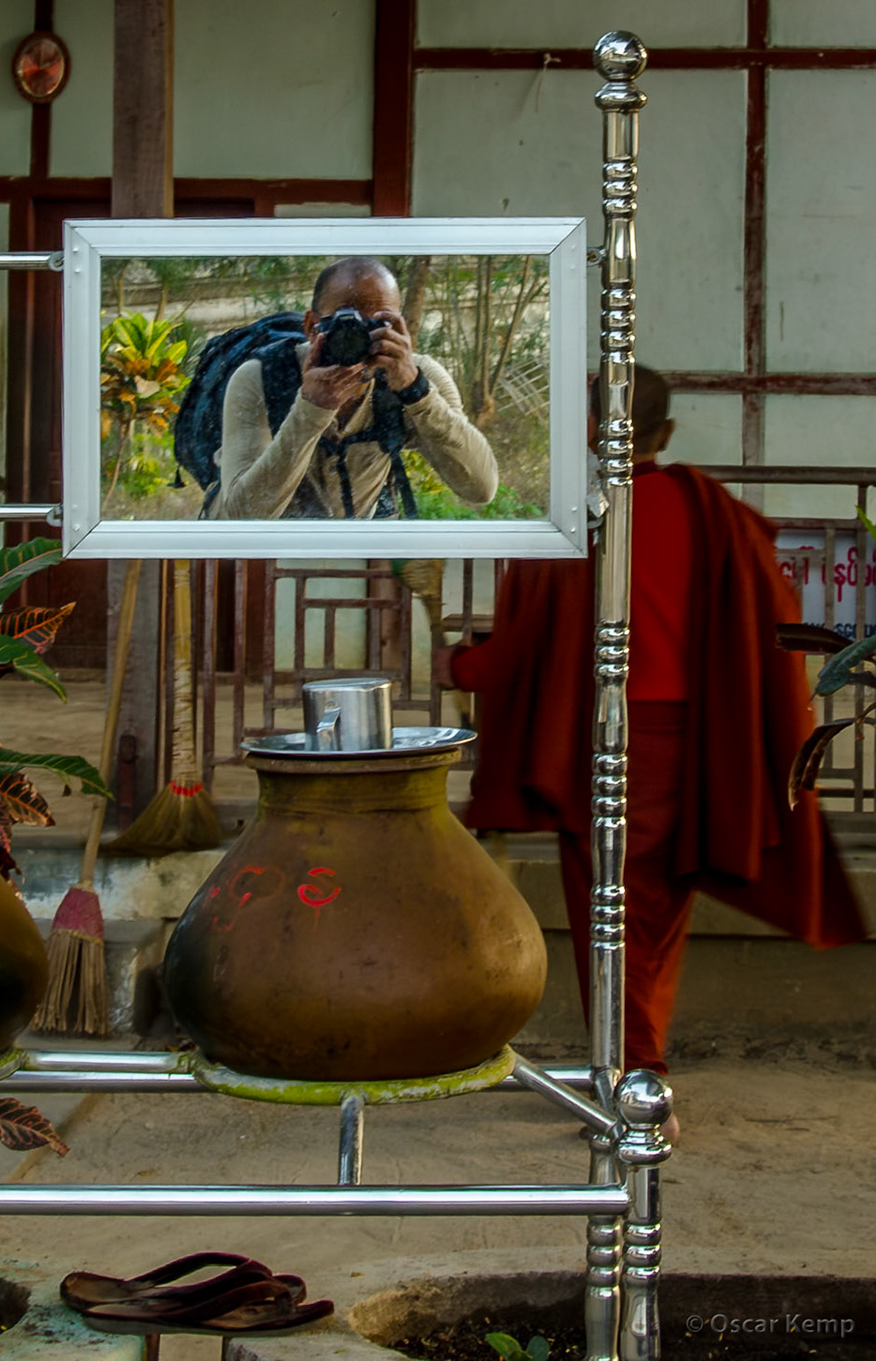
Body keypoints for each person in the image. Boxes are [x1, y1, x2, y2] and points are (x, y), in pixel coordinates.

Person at [437, 365, 864, 1118]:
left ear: (587, 434)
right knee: (652, 916)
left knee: (606, 910)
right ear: (662, 435)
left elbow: (523, 646)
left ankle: (635, 1070)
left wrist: (460, 664)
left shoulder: (578, 519)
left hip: (586, 747)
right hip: (685, 752)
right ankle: (634, 1068)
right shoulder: (711, 514)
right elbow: (771, 630)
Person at [205, 257, 499, 520]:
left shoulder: (417, 377)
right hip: (262, 555)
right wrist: (311, 408)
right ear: (311, 326)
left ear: (399, 326)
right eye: (345, 321)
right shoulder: (260, 378)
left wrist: (416, 392)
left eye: (378, 323)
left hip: (353, 545)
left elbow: (481, 489)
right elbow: (242, 518)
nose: (360, 335)